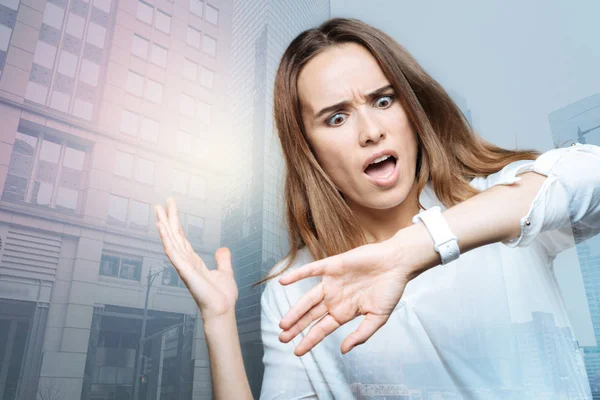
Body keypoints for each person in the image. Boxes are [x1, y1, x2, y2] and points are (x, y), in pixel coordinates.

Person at [154, 17, 600, 399]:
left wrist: (418, 245)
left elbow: (589, 174)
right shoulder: (297, 289)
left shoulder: (492, 201)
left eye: (383, 101)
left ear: (412, 109)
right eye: (337, 117)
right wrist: (217, 320)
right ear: (307, 148)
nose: (371, 131)